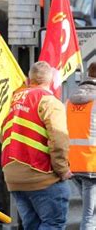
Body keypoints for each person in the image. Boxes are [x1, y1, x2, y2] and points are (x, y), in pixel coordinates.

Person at [1, 61, 71, 229]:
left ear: (28, 80)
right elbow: (59, 140)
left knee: (32, 225)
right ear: (52, 82)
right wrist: (62, 170)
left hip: (14, 177)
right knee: (53, 223)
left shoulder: (13, 100)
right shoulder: (50, 102)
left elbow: (2, 134)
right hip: (41, 175)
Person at [67, 62, 96, 229]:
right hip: (92, 164)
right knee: (89, 217)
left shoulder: (70, 100)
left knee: (90, 213)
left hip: (74, 164)